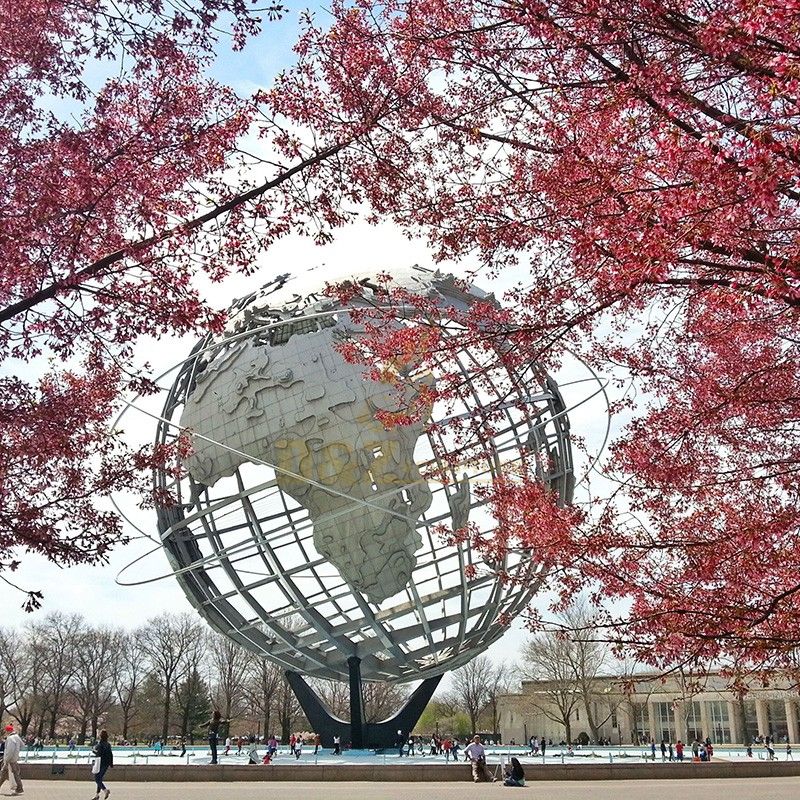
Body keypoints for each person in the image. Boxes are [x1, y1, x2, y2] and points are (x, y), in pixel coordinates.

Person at [0, 723, 23, 795]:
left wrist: (6, 760)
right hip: (14, 759)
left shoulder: (10, 738)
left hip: (9, 760)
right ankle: (19, 788)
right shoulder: (17, 737)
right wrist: (17, 753)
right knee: (12, 774)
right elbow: (22, 745)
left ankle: (19, 788)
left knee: (6, 774)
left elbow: (9, 751)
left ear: (8, 731)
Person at [90, 729, 113, 800]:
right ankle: (97, 795)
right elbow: (110, 754)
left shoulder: (100, 744)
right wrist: (111, 763)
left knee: (97, 779)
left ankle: (105, 790)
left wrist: (93, 751)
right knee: (100, 779)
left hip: (100, 763)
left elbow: (98, 753)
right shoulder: (108, 744)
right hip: (106, 763)